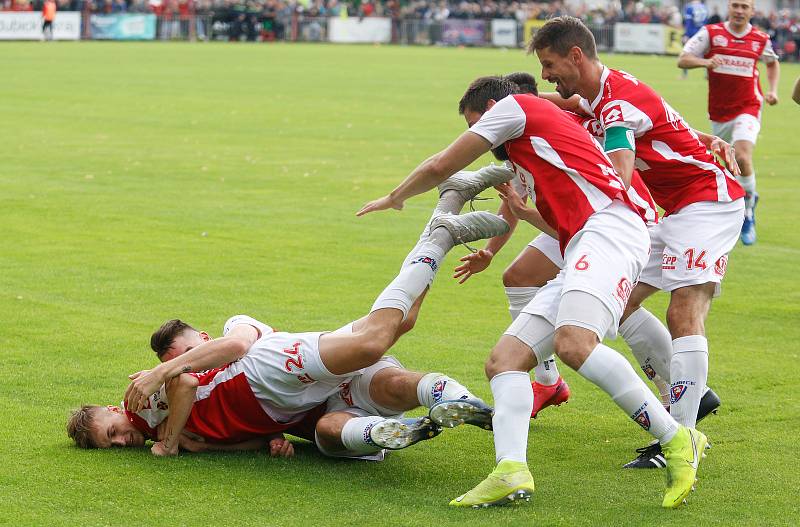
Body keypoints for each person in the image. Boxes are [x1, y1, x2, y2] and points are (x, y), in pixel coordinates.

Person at [358, 75, 706, 509]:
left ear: (491, 106)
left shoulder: (515, 108)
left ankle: (677, 438)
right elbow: (570, 121)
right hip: (587, 239)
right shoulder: (530, 146)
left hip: (611, 230)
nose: (481, 136)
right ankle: (510, 470)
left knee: (575, 344)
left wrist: (396, 197)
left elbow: (440, 165)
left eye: (476, 124)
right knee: (504, 361)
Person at [457, 73, 721, 442]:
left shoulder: (546, 118)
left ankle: (676, 398)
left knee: (609, 314)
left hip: (614, 215)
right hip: (578, 219)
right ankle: (548, 382)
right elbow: (513, 203)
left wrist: (701, 138)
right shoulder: (517, 138)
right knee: (519, 277)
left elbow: (587, 103)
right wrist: (489, 250)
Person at [531, 16, 742, 468]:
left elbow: (620, 172)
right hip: (680, 209)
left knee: (684, 311)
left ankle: (682, 438)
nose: (546, 75)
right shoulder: (605, 92)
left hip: (709, 203)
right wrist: (517, 102)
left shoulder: (618, 104)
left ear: (576, 56)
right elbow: (570, 106)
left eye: (549, 65)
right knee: (622, 305)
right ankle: (690, 396)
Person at [67, 315, 491, 459]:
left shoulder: (139, 400)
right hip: (297, 409)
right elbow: (240, 433)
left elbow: (187, 379)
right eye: (115, 445)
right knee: (332, 433)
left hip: (278, 374)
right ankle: (409, 423)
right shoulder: (158, 419)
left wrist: (171, 441)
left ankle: (436, 235)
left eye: (112, 431)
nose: (123, 441)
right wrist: (262, 439)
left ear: (111, 409)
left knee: (380, 340)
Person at [678, 0, 780, 245]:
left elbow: (772, 62)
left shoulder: (760, 39)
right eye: (735, 5)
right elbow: (683, 59)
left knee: (743, 156)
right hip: (719, 113)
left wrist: (773, 90)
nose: (739, 11)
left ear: (752, 12)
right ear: (728, 9)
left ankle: (748, 212)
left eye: (745, 7)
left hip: (749, 106)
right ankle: (748, 197)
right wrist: (705, 62)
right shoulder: (711, 34)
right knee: (731, 164)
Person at [681, 0, 708, 79]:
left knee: (685, 53)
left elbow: (688, 23)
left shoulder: (689, 7)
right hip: (702, 32)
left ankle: (684, 75)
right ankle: (707, 74)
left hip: (692, 33)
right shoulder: (704, 7)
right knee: (704, 54)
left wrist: (686, 35)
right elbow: (706, 22)